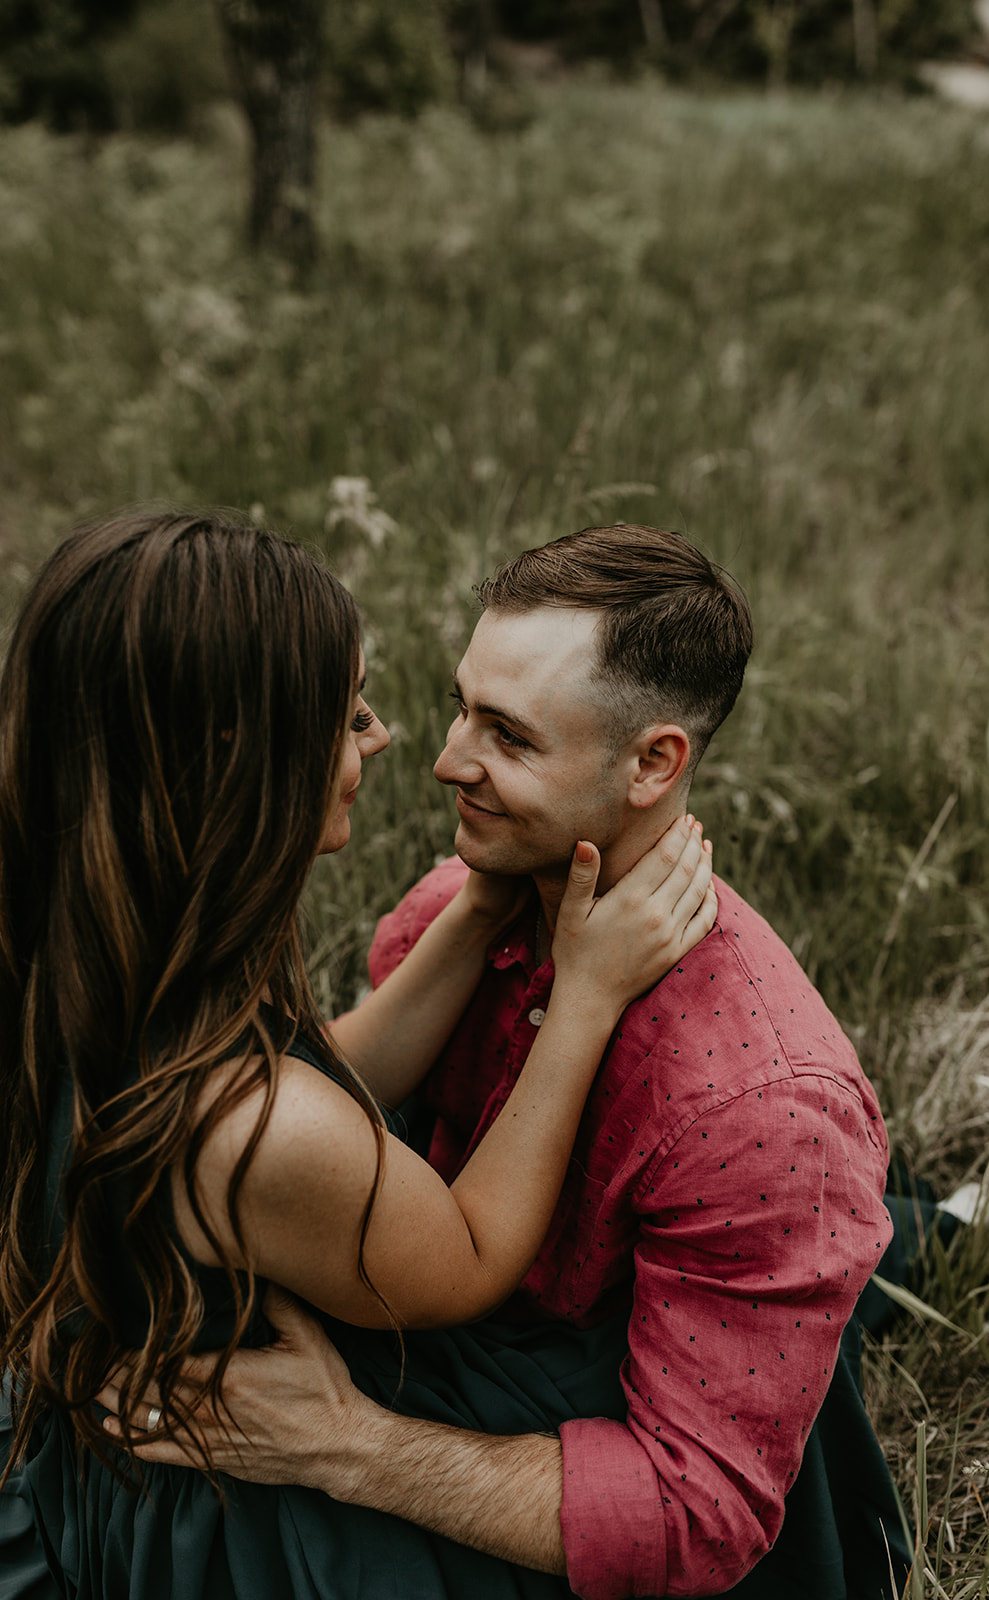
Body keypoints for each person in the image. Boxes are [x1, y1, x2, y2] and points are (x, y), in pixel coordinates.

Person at [109, 524, 913, 1599]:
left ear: (652, 763)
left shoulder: (762, 1112)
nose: (441, 757)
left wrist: (350, 1443)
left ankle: (906, 1235)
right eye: (460, 704)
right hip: (449, 1324)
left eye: (508, 736)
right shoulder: (452, 914)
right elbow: (348, 1103)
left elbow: (693, 1513)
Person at [0, 511, 719, 1600]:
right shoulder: (255, 1133)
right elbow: (470, 1254)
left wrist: (478, 911)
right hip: (226, 1518)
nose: (388, 741)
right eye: (348, 715)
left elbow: (329, 1074)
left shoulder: (85, 940)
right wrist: (584, 996)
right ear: (240, 763)